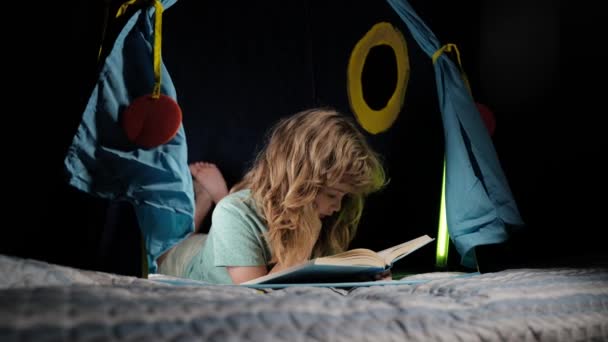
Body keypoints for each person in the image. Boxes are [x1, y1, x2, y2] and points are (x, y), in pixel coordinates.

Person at [158, 107, 388, 284]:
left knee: (228, 218)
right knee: (168, 251)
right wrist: (302, 243)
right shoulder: (235, 212)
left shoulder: (324, 218)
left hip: (229, 237)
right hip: (189, 260)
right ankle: (207, 199)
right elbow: (257, 293)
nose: (338, 207)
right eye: (332, 195)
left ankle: (219, 196)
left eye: (344, 197)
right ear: (301, 183)